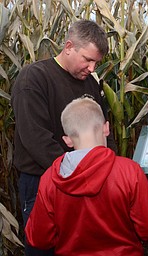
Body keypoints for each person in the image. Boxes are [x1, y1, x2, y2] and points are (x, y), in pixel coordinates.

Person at [11, 19, 117, 255]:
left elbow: (103, 128)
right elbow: (35, 138)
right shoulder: (34, 78)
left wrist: (107, 170)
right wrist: (78, 174)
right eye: (87, 60)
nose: (92, 68)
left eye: (96, 63)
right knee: (45, 247)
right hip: (42, 181)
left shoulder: (90, 82)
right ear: (69, 46)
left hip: (88, 181)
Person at [25, 97, 148, 255]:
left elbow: (39, 238)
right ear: (106, 128)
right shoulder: (130, 172)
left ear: (67, 140)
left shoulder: (50, 179)